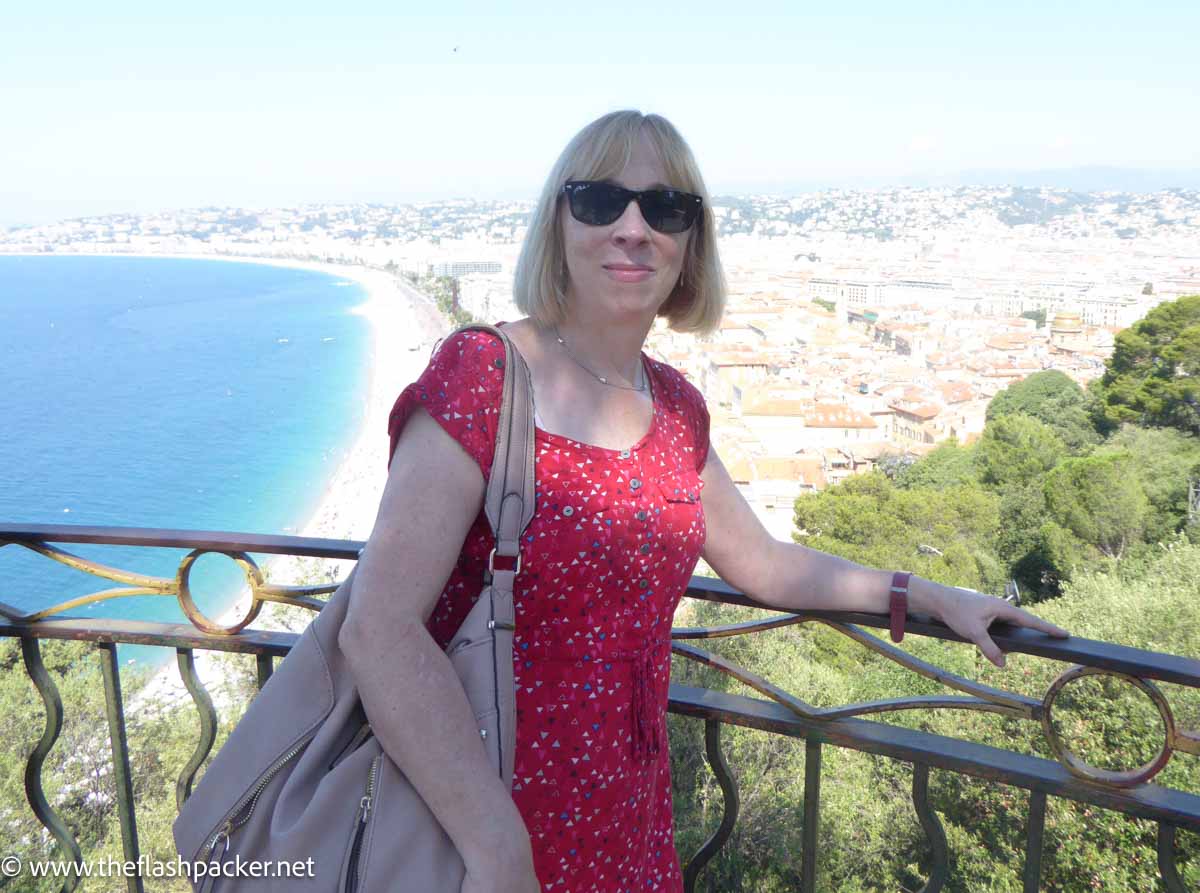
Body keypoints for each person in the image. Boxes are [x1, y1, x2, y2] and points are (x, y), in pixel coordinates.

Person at [338, 110, 1070, 893]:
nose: (632, 228)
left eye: (665, 208)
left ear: (691, 243)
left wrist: (926, 593)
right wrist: (496, 844)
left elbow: (766, 562)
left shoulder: (677, 408)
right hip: (472, 826)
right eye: (599, 201)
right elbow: (379, 628)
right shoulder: (483, 373)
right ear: (558, 222)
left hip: (631, 818)